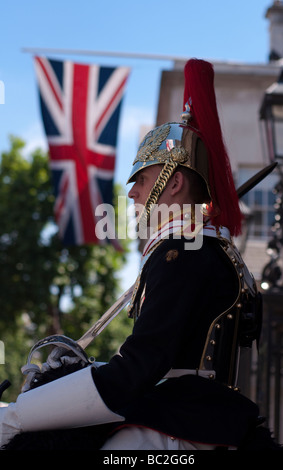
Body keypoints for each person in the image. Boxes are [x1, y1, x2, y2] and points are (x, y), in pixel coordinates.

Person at [0, 59, 262, 450]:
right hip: (194, 413)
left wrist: (18, 414)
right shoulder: (203, 247)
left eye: (141, 178)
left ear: (173, 184)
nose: (134, 193)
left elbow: (137, 370)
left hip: (185, 422)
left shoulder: (183, 254)